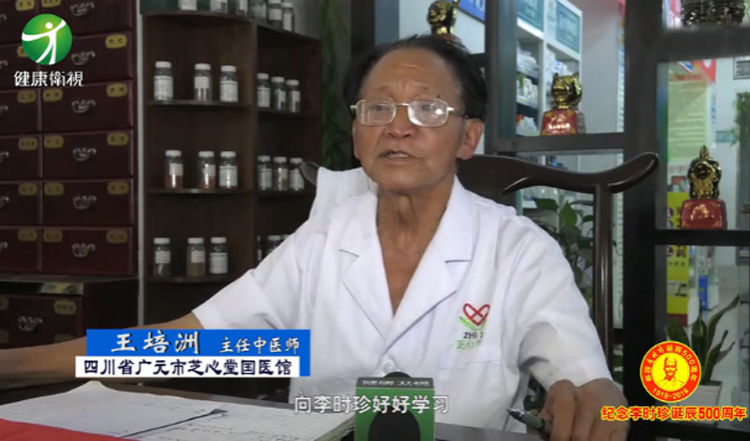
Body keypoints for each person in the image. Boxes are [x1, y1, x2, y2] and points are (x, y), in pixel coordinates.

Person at [0, 35, 628, 439]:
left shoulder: (518, 251)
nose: (399, 127)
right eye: (377, 109)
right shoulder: (322, 241)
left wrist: (593, 398)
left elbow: (587, 381)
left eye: (427, 109)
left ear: (468, 137)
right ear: (356, 135)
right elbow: (184, 345)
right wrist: (12, 367)